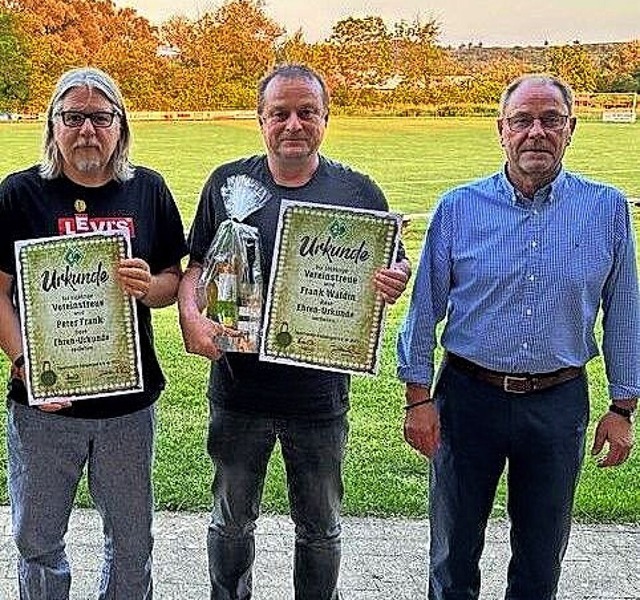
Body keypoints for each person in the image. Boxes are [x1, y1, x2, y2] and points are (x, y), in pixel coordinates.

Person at [397, 73, 639, 600]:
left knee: (541, 555)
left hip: (557, 401)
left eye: (550, 120)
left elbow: (623, 311)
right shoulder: (458, 207)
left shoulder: (606, 209)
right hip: (467, 397)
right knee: (454, 551)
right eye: (522, 121)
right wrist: (418, 397)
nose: (536, 132)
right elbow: (423, 309)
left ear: (570, 129)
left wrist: (622, 408)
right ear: (501, 130)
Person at [178, 63, 410, 600]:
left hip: (320, 396)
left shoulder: (357, 191)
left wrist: (395, 278)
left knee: (321, 528)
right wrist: (192, 316)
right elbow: (195, 268)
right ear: (260, 120)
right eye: (279, 113)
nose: (293, 124)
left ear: (326, 118)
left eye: (307, 112)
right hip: (239, 390)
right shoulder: (228, 184)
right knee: (231, 523)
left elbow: (393, 264)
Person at [0, 67, 188, 599]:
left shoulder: (147, 189)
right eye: (73, 117)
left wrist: (147, 284)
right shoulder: (19, 194)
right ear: (53, 125)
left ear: (120, 126)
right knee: (37, 539)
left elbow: (174, 282)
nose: (87, 130)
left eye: (101, 117)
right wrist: (24, 364)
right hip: (45, 408)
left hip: (127, 406)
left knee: (131, 544)